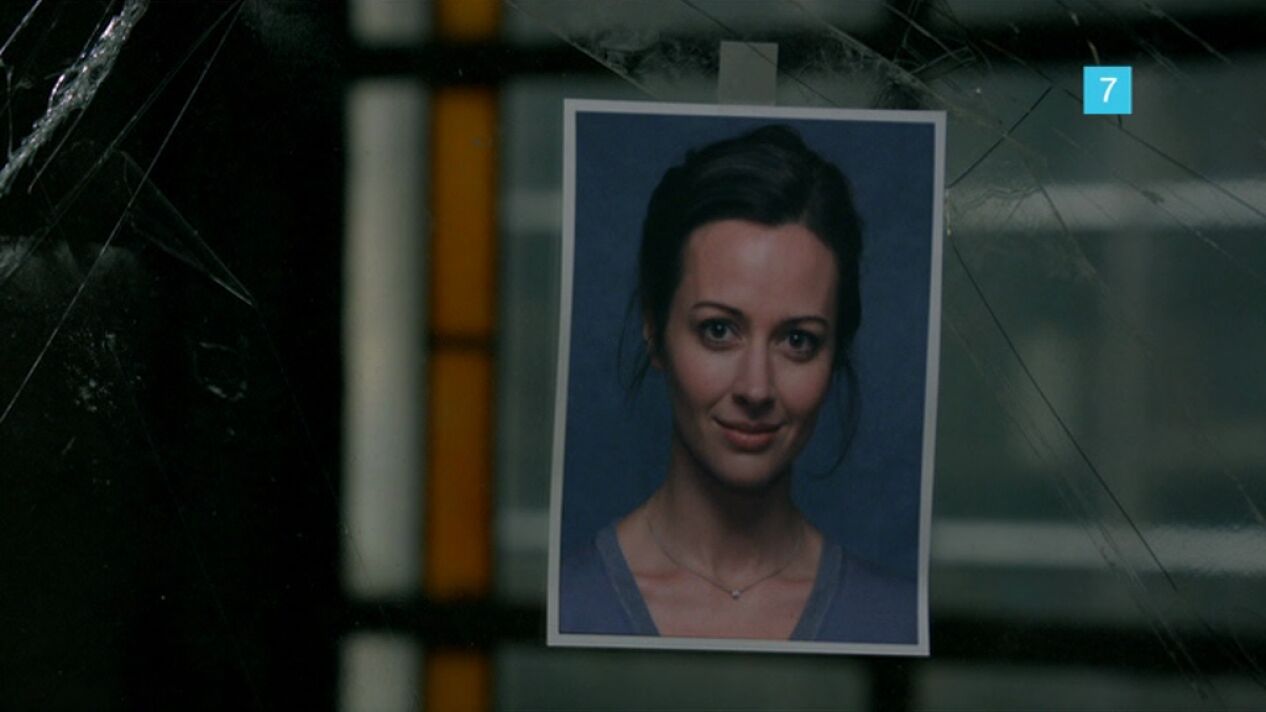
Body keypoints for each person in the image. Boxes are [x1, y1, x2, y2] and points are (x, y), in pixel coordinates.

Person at [560, 125, 915, 643]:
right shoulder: (564, 607)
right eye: (719, 331)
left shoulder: (896, 622)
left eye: (797, 340)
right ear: (655, 332)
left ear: (836, 354)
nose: (756, 389)